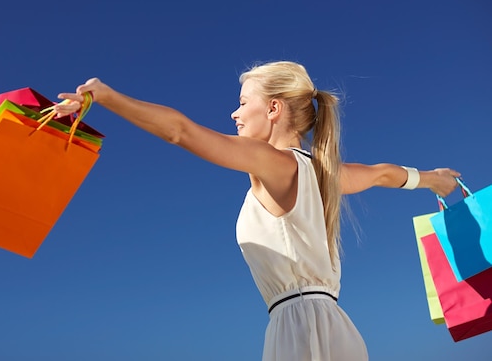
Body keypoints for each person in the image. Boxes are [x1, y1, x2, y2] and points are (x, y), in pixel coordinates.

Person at [55, 61, 460, 361]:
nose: (234, 113)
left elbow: (180, 131)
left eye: (242, 101)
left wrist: (106, 97)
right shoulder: (323, 173)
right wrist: (432, 178)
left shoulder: (272, 162)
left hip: (300, 332)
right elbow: (383, 174)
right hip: (336, 328)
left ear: (273, 109)